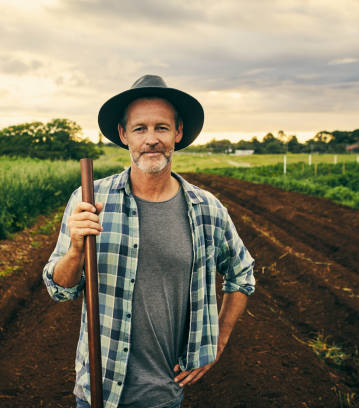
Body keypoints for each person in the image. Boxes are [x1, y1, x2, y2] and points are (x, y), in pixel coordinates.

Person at [43, 74, 255, 408]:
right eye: (140, 129)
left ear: (178, 133)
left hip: (163, 395)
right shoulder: (88, 199)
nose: (151, 139)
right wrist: (75, 250)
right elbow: (60, 289)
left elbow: (242, 274)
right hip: (97, 390)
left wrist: (217, 341)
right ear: (124, 135)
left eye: (162, 128)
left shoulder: (207, 210)